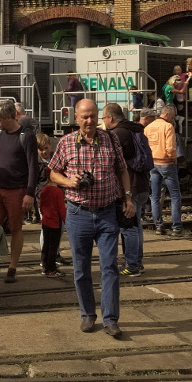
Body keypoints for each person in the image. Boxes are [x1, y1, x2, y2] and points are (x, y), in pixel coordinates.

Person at [47, 98, 135, 338]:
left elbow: (122, 169)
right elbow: (53, 173)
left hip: (107, 213)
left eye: (93, 116)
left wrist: (128, 197)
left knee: (110, 267)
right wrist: (68, 181)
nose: (89, 121)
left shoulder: (110, 138)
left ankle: (110, 319)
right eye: (84, 117)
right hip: (78, 214)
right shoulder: (66, 143)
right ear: (76, 118)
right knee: (81, 270)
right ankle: (87, 314)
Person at [0, 100, 40, 283]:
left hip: (17, 190)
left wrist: (29, 192)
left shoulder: (26, 136)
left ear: (10, 117)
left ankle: (12, 267)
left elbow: (32, 167)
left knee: (15, 228)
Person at [103, 103, 150, 278]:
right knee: (136, 226)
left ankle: (132, 265)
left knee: (128, 227)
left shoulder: (118, 134)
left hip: (130, 185)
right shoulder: (136, 129)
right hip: (142, 182)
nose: (103, 122)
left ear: (110, 118)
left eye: (103, 118)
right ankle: (137, 262)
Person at [145, 105, 183, 237]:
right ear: (167, 114)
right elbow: (170, 148)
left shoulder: (148, 127)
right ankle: (176, 227)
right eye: (172, 116)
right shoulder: (168, 127)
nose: (173, 119)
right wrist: (173, 160)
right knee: (175, 195)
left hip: (153, 163)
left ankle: (159, 226)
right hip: (166, 163)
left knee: (155, 196)